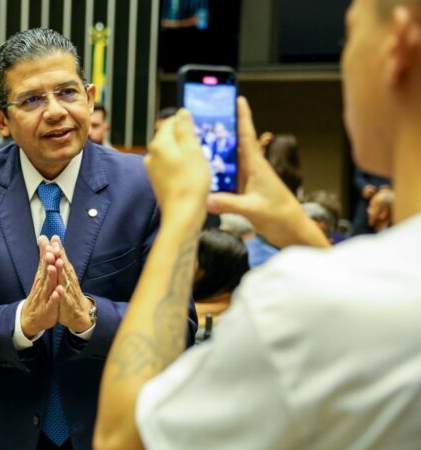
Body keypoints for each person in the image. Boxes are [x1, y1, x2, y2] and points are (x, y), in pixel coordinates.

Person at [95, 0, 421, 447]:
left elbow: (123, 436)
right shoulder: (367, 293)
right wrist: (298, 230)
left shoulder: (298, 303)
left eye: (348, 36)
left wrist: (181, 216)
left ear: (398, 43)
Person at [0, 28, 196, 450]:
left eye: (67, 92)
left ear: (90, 99)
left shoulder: (144, 186)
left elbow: (177, 328)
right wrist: (23, 322)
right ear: (1, 121)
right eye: (32, 100)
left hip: (109, 429)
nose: (55, 111)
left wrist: (89, 317)